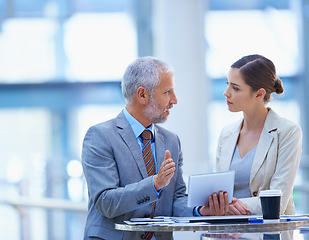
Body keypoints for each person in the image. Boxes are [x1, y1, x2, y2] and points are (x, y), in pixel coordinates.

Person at [82, 56, 228, 240]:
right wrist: (155, 183)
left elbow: (176, 200)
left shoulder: (171, 141)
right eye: (167, 92)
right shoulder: (100, 136)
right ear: (142, 94)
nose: (174, 100)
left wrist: (200, 210)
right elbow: (106, 202)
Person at [216, 54, 302, 215]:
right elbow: (217, 193)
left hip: (269, 232)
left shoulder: (288, 132)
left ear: (259, 94)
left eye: (235, 88)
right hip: (228, 232)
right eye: (227, 84)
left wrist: (229, 206)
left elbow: (278, 201)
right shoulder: (226, 133)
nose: (226, 93)